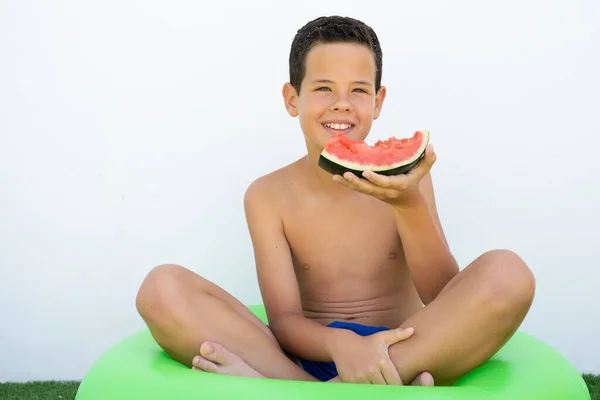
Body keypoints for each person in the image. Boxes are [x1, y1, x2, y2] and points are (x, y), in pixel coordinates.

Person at [135, 15, 535, 386]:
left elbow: (443, 296)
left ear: (378, 102)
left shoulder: (408, 180)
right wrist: (340, 345)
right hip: (310, 354)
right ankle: (319, 389)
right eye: (323, 88)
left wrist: (408, 205)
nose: (341, 103)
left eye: (358, 90)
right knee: (160, 287)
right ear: (292, 99)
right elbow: (286, 321)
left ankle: (299, 391)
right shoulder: (266, 195)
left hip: (407, 348)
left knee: (509, 273)